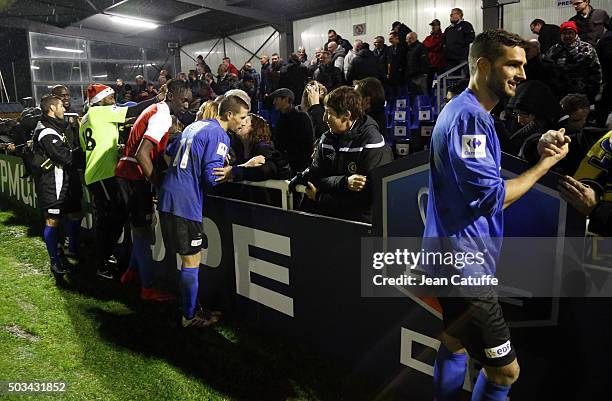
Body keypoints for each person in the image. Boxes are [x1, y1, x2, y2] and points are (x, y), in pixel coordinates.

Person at [426, 29, 570, 401]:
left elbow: (483, 166)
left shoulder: (462, 109)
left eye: (523, 64)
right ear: (484, 65)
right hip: (466, 268)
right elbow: (492, 196)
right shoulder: (472, 119)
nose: (522, 74)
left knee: (455, 343)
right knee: (505, 373)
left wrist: (534, 142)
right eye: (513, 65)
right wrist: (544, 165)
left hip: (448, 259)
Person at [157, 94, 250, 327]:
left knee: (186, 259)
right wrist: (240, 168)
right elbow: (212, 177)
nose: (243, 121)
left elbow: (169, 151)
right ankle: (189, 316)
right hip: (185, 202)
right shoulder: (220, 135)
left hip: (167, 195)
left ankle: (191, 308)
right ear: (229, 115)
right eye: (242, 116)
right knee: (191, 261)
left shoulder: (195, 125)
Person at [115, 79, 192, 301]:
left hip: (128, 174)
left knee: (138, 228)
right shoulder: (162, 115)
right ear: (172, 96)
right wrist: (158, 182)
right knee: (143, 232)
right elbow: (142, 153)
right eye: (183, 100)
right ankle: (148, 287)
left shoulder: (156, 109)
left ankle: (131, 273)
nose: (186, 105)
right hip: (133, 176)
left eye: (189, 101)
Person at [79, 83, 165, 279]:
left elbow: (88, 146)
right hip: (102, 174)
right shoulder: (100, 112)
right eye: (110, 97)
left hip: (96, 173)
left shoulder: (86, 118)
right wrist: (156, 99)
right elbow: (132, 110)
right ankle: (101, 262)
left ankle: (106, 256)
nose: (113, 101)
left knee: (111, 218)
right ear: (99, 101)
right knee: (109, 220)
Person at [298, 86, 393, 223]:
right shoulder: (327, 138)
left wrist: (320, 196)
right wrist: (344, 182)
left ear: (347, 115)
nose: (324, 118)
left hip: (359, 226)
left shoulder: (372, 142)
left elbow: (367, 199)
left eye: (329, 113)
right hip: (328, 219)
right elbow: (316, 177)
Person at [32, 95, 81, 275]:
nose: (64, 108)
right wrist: (82, 156)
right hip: (51, 183)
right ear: (52, 109)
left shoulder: (57, 127)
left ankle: (68, 249)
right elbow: (66, 157)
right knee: (52, 221)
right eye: (60, 105)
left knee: (73, 214)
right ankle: (55, 261)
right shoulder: (47, 132)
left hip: (63, 181)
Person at [560, 130, 612, 235]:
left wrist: (596, 209)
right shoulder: (597, 136)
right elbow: (530, 145)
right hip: (573, 241)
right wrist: (541, 145)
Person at [212, 113, 290, 182]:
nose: (240, 123)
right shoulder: (238, 148)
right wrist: (246, 165)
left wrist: (235, 171)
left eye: (245, 121)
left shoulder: (264, 148)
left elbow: (265, 171)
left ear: (255, 128)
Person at [547, 21, 603, 104]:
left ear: (576, 34)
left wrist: (595, 92)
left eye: (570, 33)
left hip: (582, 93)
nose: (567, 36)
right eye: (564, 33)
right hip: (560, 94)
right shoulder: (553, 50)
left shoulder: (587, 48)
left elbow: (596, 71)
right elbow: (549, 71)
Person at [270, 88, 314, 175]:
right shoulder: (280, 118)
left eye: (276, 99)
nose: (274, 102)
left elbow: (307, 143)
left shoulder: (301, 117)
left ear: (286, 99)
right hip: (285, 164)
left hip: (299, 165)